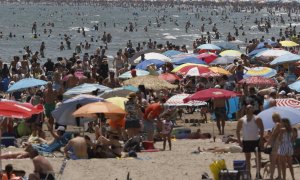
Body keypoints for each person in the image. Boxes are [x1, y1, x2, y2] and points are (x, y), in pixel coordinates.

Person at [236, 104, 264, 179]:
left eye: (250, 108)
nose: (249, 110)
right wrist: (239, 141)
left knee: (258, 157)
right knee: (247, 158)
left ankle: (258, 173)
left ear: (253, 110)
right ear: (245, 110)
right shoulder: (242, 119)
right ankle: (249, 174)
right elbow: (237, 131)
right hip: (246, 141)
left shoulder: (257, 118)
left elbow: (261, 129)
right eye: (248, 108)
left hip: (255, 140)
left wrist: (261, 140)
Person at [265, 112, 282, 180]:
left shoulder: (277, 124)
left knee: (273, 161)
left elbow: (273, 135)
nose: (272, 119)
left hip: (275, 144)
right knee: (278, 161)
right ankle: (279, 176)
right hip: (278, 144)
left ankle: (271, 176)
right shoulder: (280, 124)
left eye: (273, 117)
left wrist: (267, 143)